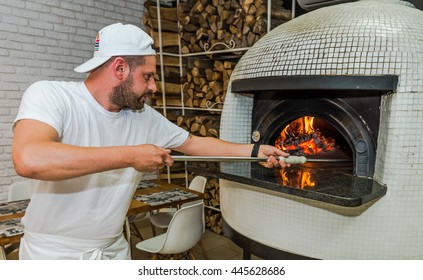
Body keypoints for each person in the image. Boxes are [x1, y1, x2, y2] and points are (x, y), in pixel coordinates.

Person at [12, 23, 290, 260]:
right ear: (120, 68)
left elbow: (194, 143)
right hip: (52, 254)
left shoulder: (144, 117)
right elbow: (29, 159)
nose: (154, 87)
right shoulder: (52, 96)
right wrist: (131, 156)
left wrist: (254, 150)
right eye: (148, 76)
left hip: (113, 249)